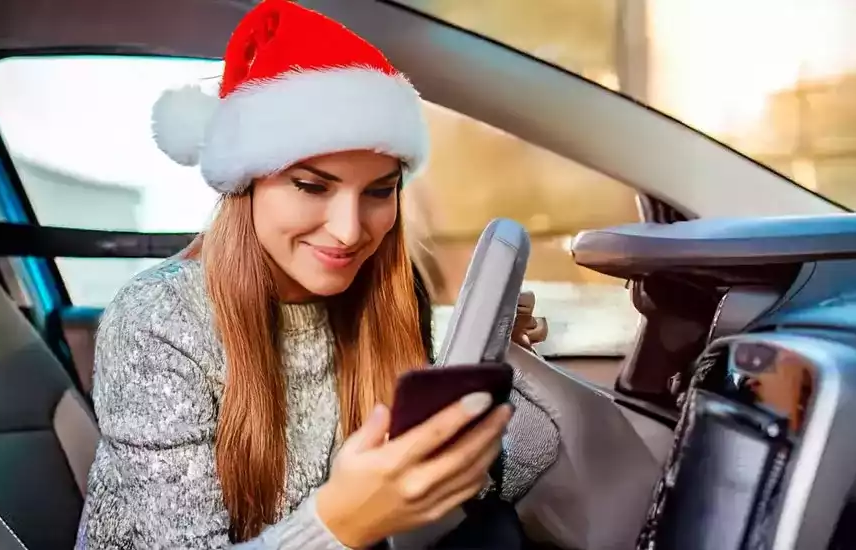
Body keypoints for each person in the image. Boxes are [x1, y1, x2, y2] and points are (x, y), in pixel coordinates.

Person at [78, 1, 561, 548]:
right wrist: (338, 525)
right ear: (247, 184)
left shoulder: (387, 297)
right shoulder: (156, 321)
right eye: (312, 186)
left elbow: (496, 481)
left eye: (380, 191)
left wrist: (498, 362)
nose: (350, 231)